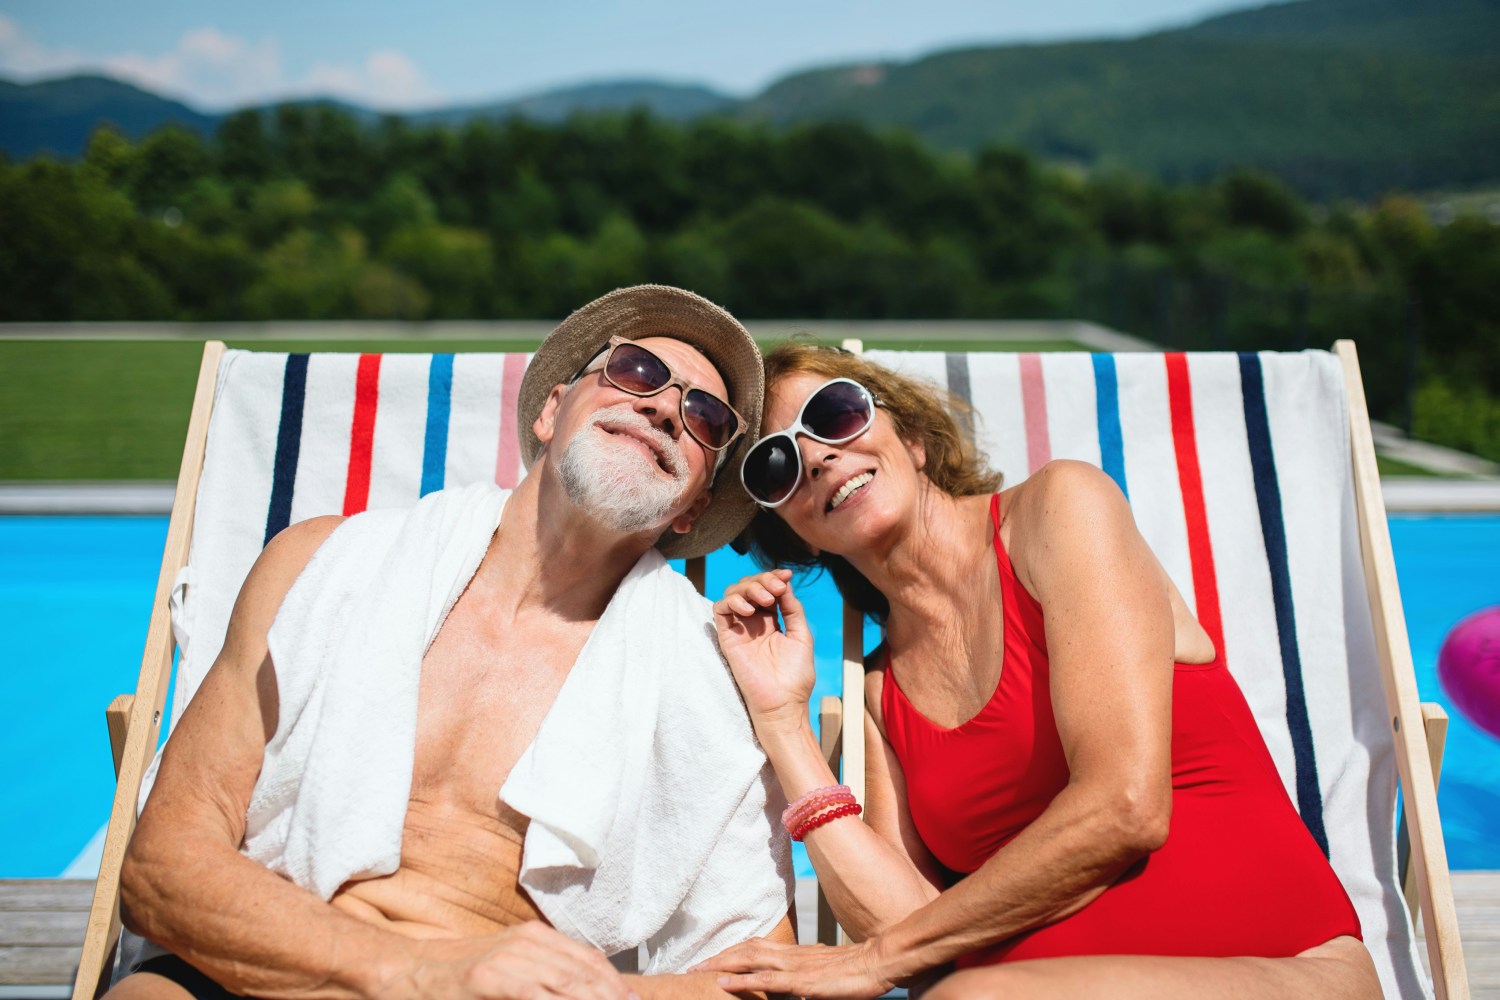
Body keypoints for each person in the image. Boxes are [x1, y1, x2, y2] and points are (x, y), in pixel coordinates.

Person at [108, 286, 794, 1000]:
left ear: (693, 509)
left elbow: (758, 979)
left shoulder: (705, 678)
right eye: (636, 372)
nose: (661, 408)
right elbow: (161, 870)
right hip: (275, 961)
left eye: (705, 417)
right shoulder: (318, 565)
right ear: (551, 410)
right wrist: (419, 973)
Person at [702, 342, 1382, 999]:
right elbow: (894, 927)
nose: (818, 456)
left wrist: (881, 959)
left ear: (911, 439)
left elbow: (1126, 807)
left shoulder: (1059, 511)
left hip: (1279, 967)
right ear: (791, 530)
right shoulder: (884, 694)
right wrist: (782, 720)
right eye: (777, 466)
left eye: (834, 415)